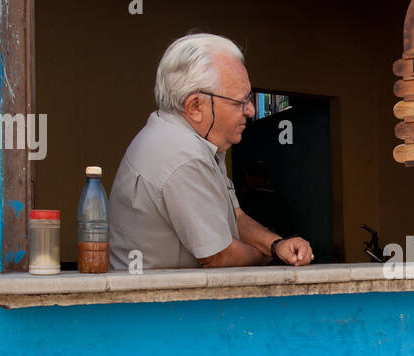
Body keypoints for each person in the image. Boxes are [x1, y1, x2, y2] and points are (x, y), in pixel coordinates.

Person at [109, 33, 313, 271]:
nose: (251, 109)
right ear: (195, 106)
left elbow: (234, 218)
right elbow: (218, 256)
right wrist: (269, 257)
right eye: (239, 102)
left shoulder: (195, 141)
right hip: (160, 306)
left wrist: (276, 245)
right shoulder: (183, 154)